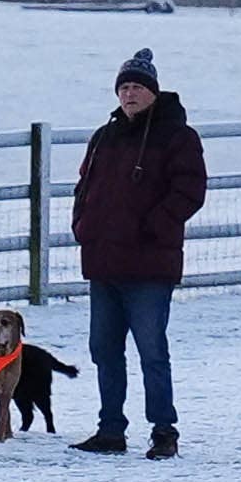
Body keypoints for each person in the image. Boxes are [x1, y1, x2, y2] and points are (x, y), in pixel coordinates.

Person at [68, 45, 206, 457]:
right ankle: (110, 429)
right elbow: (84, 187)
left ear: (153, 92)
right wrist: (83, 226)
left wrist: (154, 227)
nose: (129, 94)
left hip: (150, 264)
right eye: (124, 87)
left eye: (137, 87)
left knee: (151, 349)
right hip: (103, 262)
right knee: (103, 349)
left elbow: (190, 191)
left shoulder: (178, 137)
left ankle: (164, 430)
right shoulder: (104, 137)